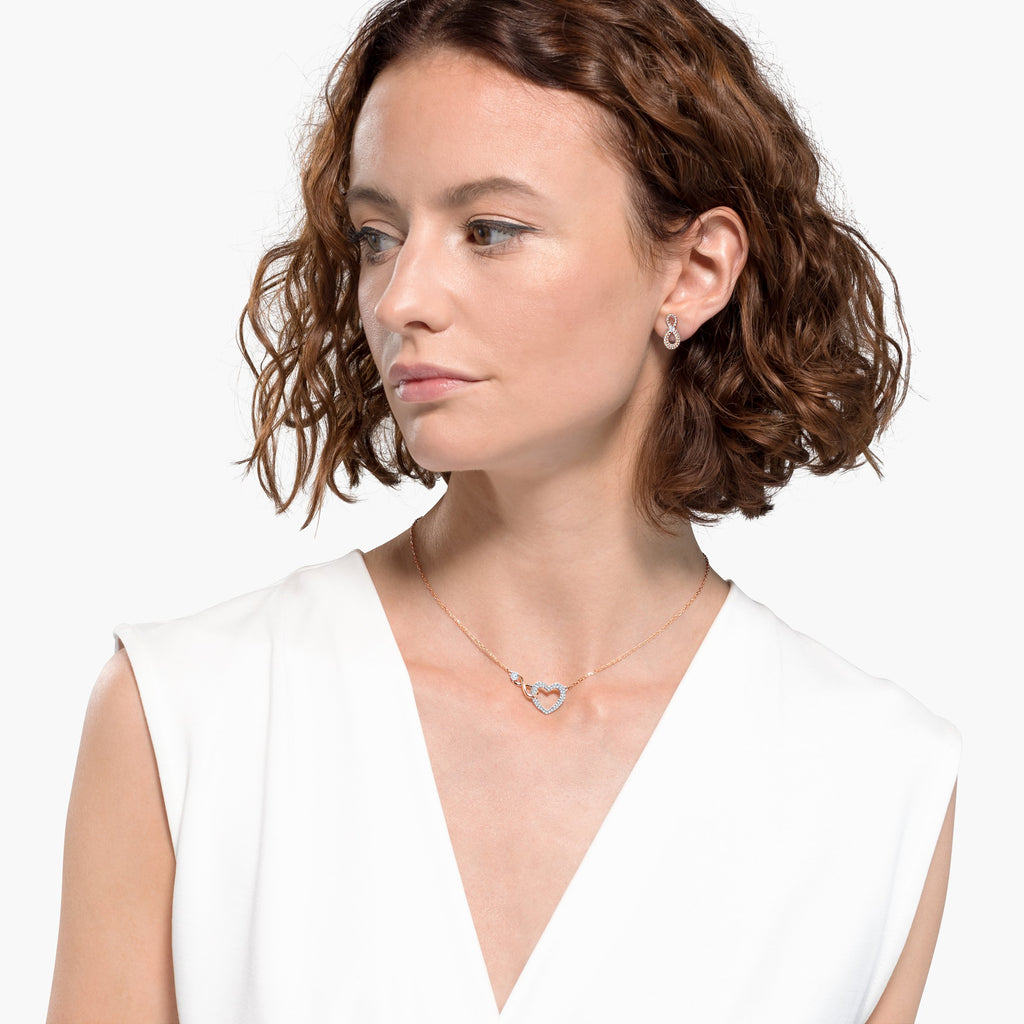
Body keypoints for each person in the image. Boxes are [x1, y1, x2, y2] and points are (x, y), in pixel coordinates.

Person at [47, 1, 960, 1021]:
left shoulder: (875, 781)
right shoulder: (187, 716)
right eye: (378, 236)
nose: (400, 299)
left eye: (489, 231)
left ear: (696, 269)